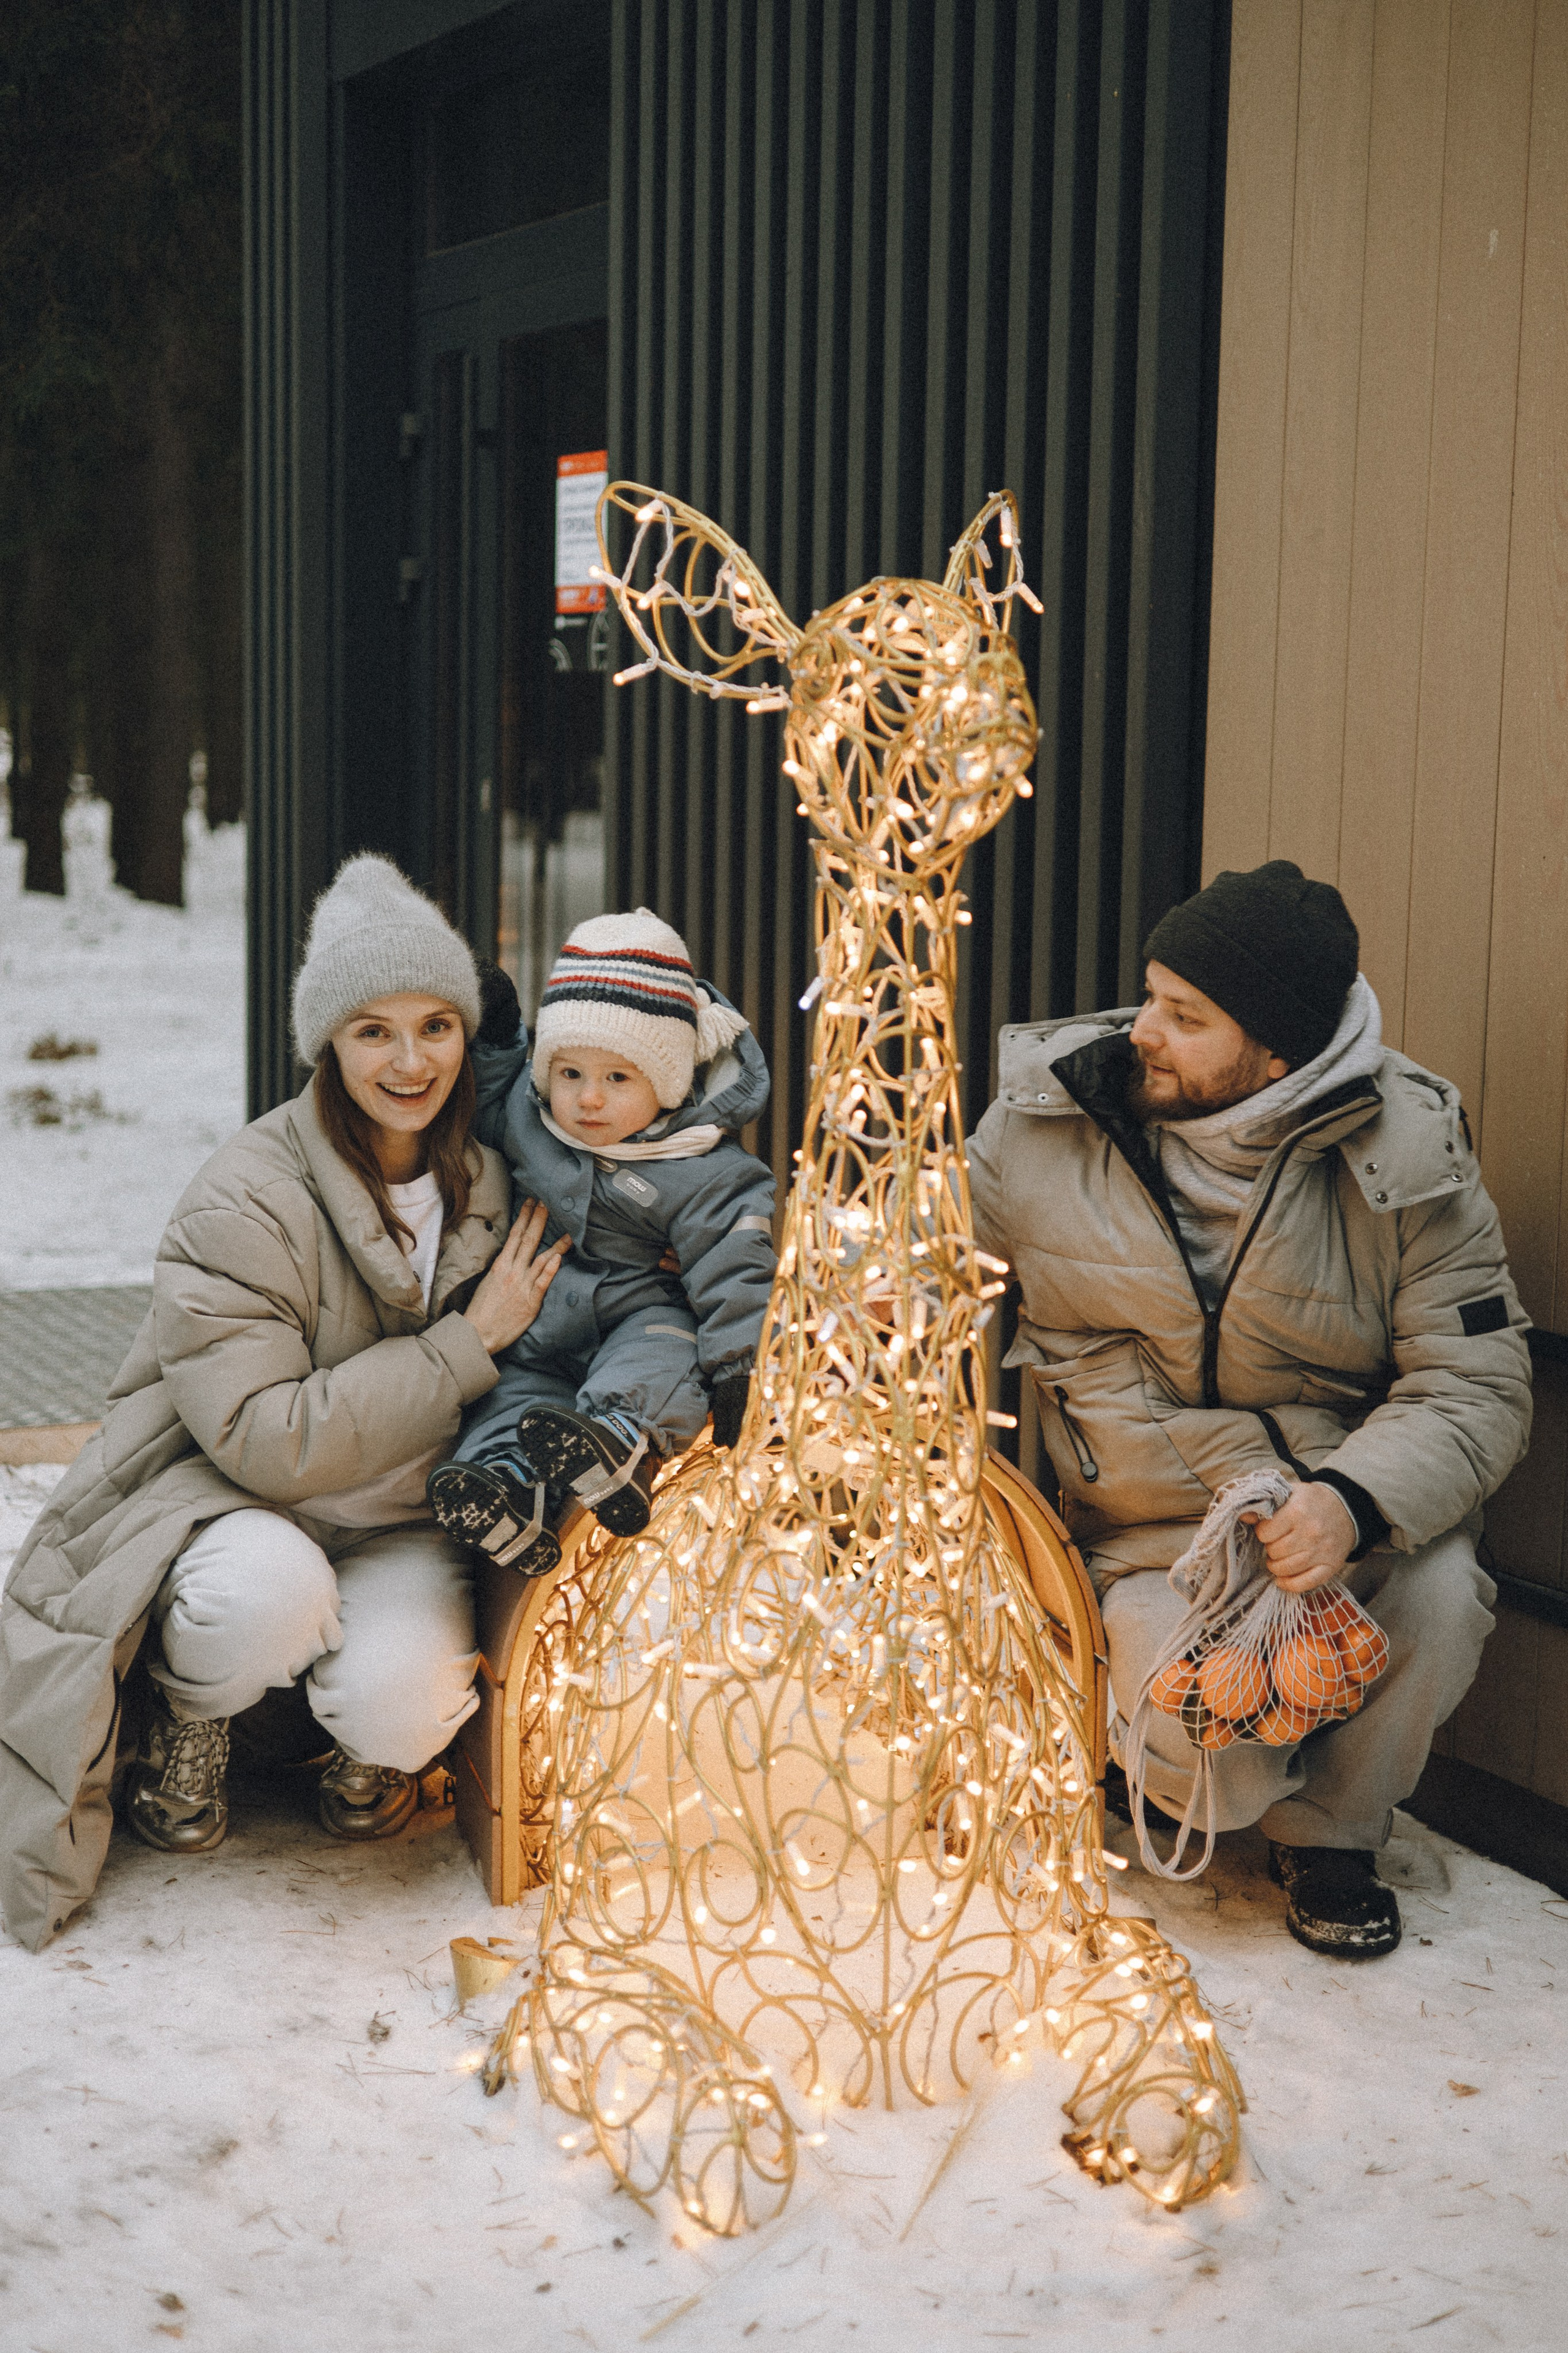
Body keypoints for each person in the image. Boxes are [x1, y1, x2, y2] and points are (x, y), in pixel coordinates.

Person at [0, 856, 567, 1951]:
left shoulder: (500, 1188)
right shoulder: (244, 1193)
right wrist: (464, 1346)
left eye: (438, 1025)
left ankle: (361, 1743)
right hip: (241, 1506)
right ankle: (193, 1720)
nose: (411, 1061)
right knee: (264, 1595)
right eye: (374, 1031)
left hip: (407, 1522)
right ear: (328, 1044)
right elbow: (265, 1438)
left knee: (405, 1698)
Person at [968, 860, 1531, 1959]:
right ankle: (1192, 1789)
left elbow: (1477, 1378)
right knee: (1211, 1773)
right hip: (1141, 1537)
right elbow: (914, 1259)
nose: (1144, 1031)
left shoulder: (1410, 1157)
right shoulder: (1045, 1124)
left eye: (1186, 1016)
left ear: (1277, 1051)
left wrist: (1352, 1501)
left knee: (1442, 1588)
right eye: (1150, 995)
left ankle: (1334, 1835)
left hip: (1320, 1519)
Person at [426, 908, 776, 1579]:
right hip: (539, 1326)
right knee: (512, 1396)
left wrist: (741, 1366)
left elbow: (736, 1264)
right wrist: (497, 1034)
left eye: (618, 1078)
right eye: (570, 1074)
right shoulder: (530, 1123)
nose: (588, 1099)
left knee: (659, 1354)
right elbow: (492, 1088)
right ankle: (506, 1492)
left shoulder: (702, 1165)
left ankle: (617, 1446)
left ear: (666, 1083)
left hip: (639, 1312)